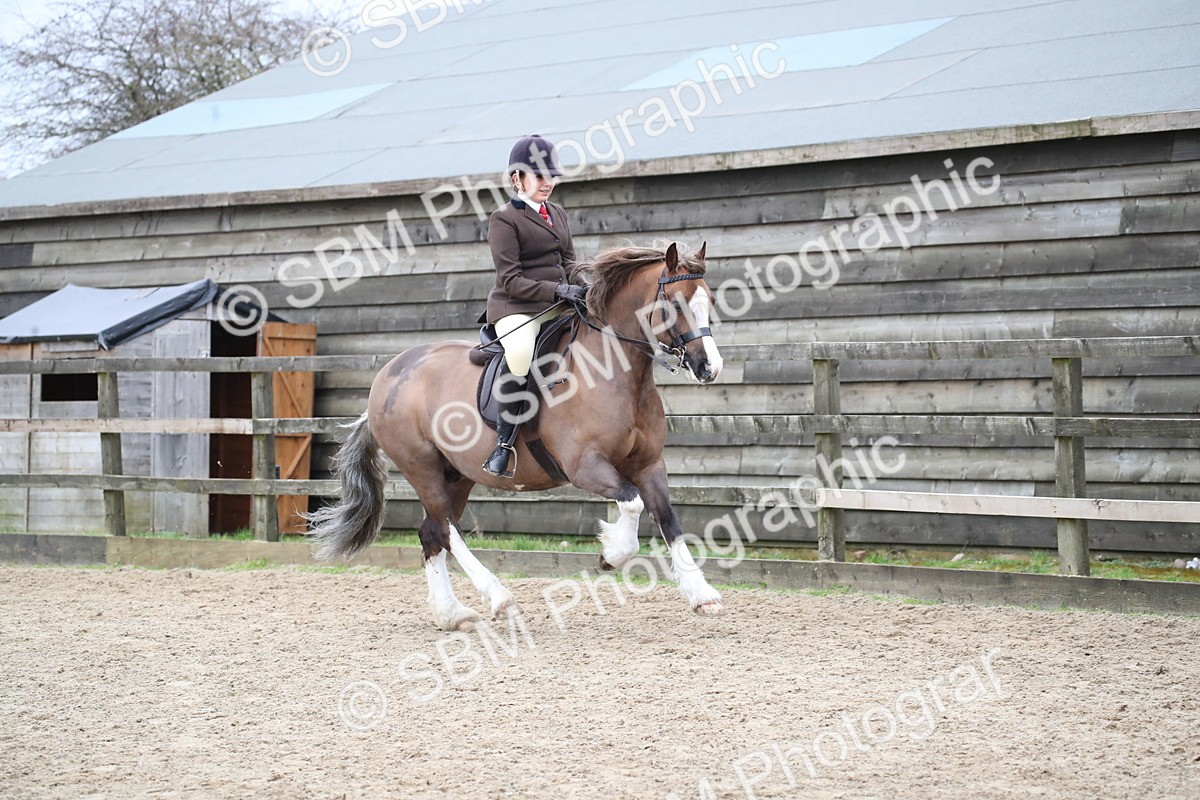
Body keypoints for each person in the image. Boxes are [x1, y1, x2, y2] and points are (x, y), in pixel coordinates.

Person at [481, 134, 587, 477]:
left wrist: (586, 288)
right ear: (517, 178)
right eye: (539, 176)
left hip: (557, 301)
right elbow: (510, 279)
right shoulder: (504, 220)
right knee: (522, 353)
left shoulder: (557, 212)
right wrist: (558, 290)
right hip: (516, 308)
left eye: (551, 176)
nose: (548, 183)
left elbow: (569, 262)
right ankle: (503, 444)